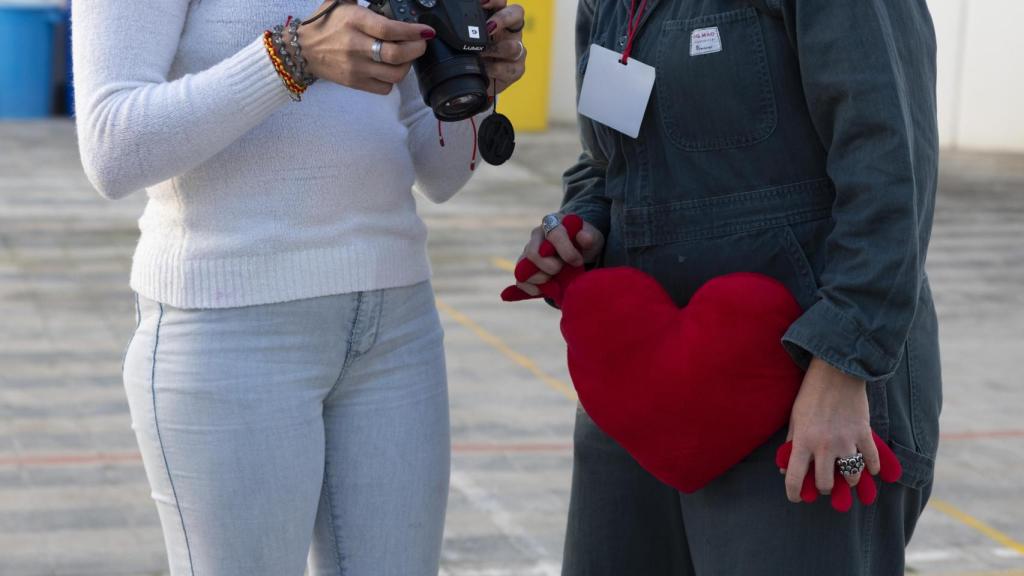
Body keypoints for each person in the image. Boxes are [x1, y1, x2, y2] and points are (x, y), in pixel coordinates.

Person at [72, 0, 526, 574]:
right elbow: (113, 147)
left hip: (396, 323)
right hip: (230, 327)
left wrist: (475, 82)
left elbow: (435, 171)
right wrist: (293, 55)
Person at [516, 1, 941, 574]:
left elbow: (892, 161)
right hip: (638, 387)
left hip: (807, 390)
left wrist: (844, 364)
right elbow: (605, 159)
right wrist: (585, 219)